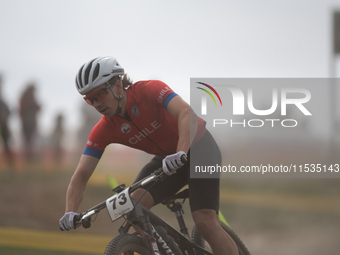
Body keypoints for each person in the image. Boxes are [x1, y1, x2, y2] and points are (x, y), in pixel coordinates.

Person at [59, 56, 238, 255]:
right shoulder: (104, 129)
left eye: (99, 95)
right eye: (89, 99)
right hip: (168, 158)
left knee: (204, 221)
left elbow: (186, 113)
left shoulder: (149, 91)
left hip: (199, 146)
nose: (96, 103)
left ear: (118, 86)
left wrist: (180, 151)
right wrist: (70, 211)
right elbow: (81, 175)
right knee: (132, 207)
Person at [19, 83, 41, 162]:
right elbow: (21, 110)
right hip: (26, 123)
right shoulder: (25, 98)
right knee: (27, 141)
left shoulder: (32, 98)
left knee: (31, 141)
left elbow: (39, 108)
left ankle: (30, 158)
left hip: (31, 123)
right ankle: (27, 158)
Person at [0, 76, 13, 167]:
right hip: (3, 124)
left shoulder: (2, 101)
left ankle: (10, 164)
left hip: (3, 124)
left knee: (7, 144)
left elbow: (8, 111)